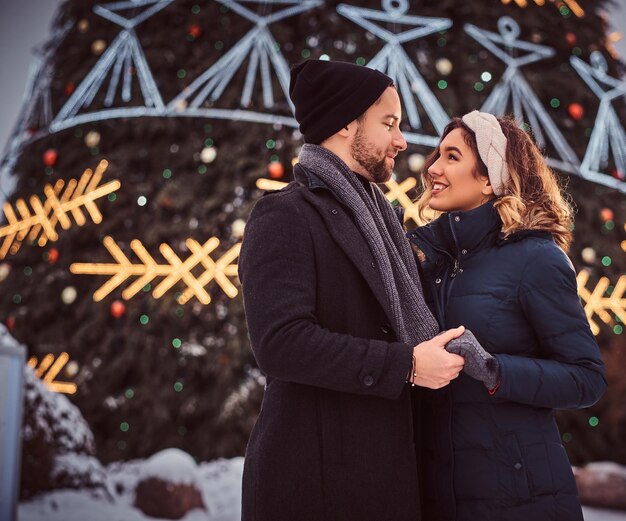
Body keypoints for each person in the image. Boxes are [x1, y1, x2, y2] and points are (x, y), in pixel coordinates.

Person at [238, 59, 467, 521]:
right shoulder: (285, 215)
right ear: (345, 123)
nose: (401, 141)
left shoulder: (383, 222)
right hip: (317, 485)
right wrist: (405, 365)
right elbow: (280, 344)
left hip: (385, 480)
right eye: (389, 123)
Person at [407, 110, 608, 521]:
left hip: (521, 500)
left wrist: (495, 371)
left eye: (452, 156)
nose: (433, 168)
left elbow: (587, 378)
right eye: (436, 156)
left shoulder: (536, 259)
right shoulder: (428, 262)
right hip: (441, 497)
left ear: (489, 178)